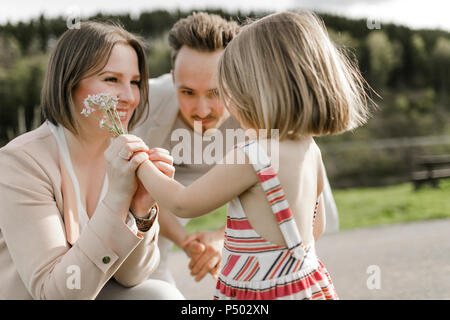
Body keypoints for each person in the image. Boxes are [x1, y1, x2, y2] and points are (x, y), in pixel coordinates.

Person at [128, 10, 374, 299]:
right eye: (189, 92)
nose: (205, 109)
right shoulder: (310, 148)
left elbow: (182, 202)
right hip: (304, 284)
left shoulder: (252, 155)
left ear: (256, 87)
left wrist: (140, 163)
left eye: (224, 90)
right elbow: (313, 227)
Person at [0, 21, 183, 300]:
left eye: (134, 82)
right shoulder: (21, 162)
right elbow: (56, 294)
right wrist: (118, 197)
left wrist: (141, 212)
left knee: (160, 295)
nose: (129, 96)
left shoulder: (125, 155)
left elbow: (133, 277)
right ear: (69, 82)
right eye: (111, 79)